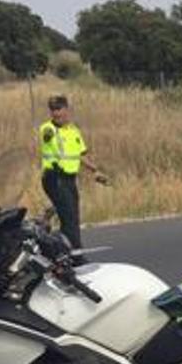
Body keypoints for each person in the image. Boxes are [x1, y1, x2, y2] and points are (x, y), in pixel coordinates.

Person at [38, 95, 108, 250]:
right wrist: (50, 134)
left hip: (69, 180)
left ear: (66, 110)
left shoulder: (74, 131)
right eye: (53, 110)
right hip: (54, 177)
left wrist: (95, 172)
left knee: (73, 217)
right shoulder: (48, 128)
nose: (56, 113)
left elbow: (80, 155)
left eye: (59, 109)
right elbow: (47, 136)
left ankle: (49, 223)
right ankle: (76, 254)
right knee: (69, 218)